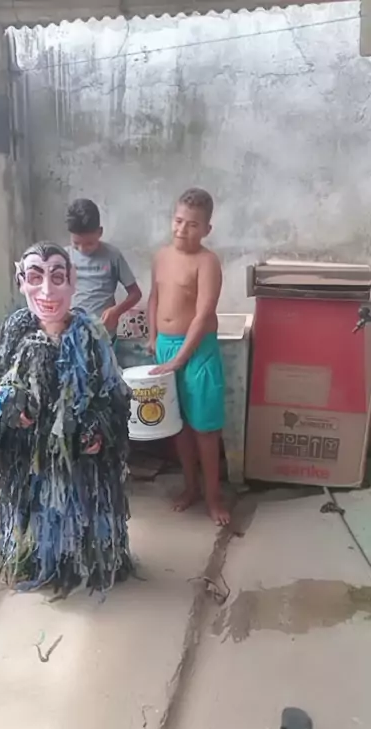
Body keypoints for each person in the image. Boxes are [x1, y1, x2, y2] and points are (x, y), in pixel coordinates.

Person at [0, 241, 133, 595]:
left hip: (82, 464)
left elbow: (115, 393)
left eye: (58, 277)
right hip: (31, 461)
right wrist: (9, 409)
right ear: (21, 281)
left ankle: (85, 560)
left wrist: (100, 428)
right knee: (37, 515)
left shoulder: (91, 334)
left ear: (73, 281)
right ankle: (37, 561)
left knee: (83, 513)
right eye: (35, 277)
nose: (47, 291)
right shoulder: (16, 332)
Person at [148, 188, 229, 526]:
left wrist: (179, 360)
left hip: (197, 352)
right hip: (165, 347)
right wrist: (153, 338)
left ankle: (213, 497)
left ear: (207, 229)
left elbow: (203, 314)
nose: (182, 229)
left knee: (205, 429)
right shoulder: (161, 256)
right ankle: (191, 487)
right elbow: (154, 298)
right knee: (178, 425)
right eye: (179, 221)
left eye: (193, 224)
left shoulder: (207, 262)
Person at [66, 198, 142, 340]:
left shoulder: (112, 255)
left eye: (89, 243)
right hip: (72, 333)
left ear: (100, 232)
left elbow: (135, 294)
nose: (82, 249)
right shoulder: (64, 257)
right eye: (76, 243)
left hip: (104, 334)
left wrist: (116, 311)